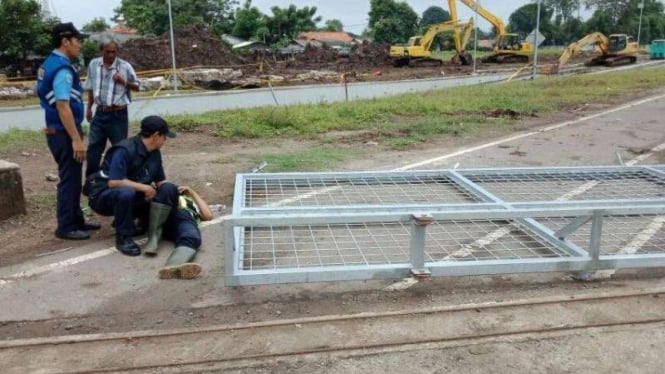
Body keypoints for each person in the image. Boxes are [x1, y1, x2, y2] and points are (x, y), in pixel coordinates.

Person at [36, 22, 100, 240]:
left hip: (58, 130)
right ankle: (66, 226)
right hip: (64, 132)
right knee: (69, 179)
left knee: (73, 177)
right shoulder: (62, 68)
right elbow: (63, 106)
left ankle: (76, 220)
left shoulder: (50, 64)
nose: (79, 45)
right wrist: (76, 139)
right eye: (77, 40)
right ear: (65, 41)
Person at [87, 115, 176, 256]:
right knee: (126, 192)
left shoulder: (154, 153)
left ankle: (138, 223)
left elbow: (161, 182)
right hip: (103, 196)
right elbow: (114, 182)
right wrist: (145, 188)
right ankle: (123, 238)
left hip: (130, 193)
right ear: (155, 135)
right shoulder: (124, 150)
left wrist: (175, 192)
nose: (165, 140)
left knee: (168, 189)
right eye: (164, 136)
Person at [84, 37, 140, 178]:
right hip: (100, 112)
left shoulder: (124, 66)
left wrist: (124, 81)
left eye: (114, 52)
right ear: (101, 50)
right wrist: (89, 108)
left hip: (118, 114)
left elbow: (138, 87)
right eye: (107, 52)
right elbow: (90, 87)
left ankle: (119, 178)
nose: (111, 55)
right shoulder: (93, 65)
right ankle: (92, 181)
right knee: (93, 148)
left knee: (119, 148)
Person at [151, 185, 213, 280]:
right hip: (167, 214)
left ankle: (172, 267)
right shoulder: (173, 197)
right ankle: (172, 267)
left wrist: (193, 193)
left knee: (192, 237)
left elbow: (208, 216)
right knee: (189, 231)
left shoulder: (193, 206)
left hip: (182, 223)